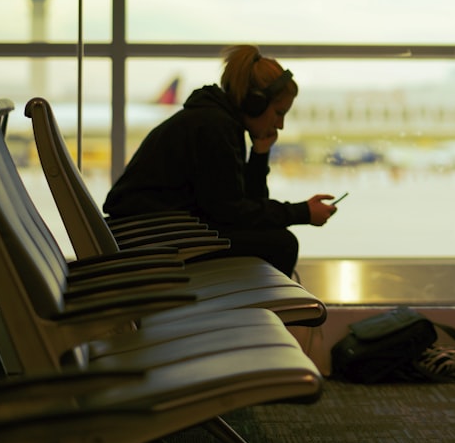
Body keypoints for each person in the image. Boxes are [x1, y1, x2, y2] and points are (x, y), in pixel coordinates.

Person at [103, 45, 337, 276]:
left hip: (159, 231)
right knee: (282, 244)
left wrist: (260, 152)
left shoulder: (217, 120)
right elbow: (232, 212)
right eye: (278, 113)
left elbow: (246, 202)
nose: (280, 125)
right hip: (152, 238)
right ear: (255, 102)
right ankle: (252, 313)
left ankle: (250, 311)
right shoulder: (214, 127)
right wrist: (302, 213)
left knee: (276, 239)